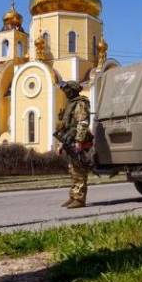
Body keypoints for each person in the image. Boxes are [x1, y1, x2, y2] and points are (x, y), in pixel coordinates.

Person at [56, 80, 93, 209]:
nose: (65, 92)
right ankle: (73, 196)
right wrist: (61, 144)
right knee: (72, 170)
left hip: (78, 141)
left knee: (79, 170)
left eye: (66, 90)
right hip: (69, 140)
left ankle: (79, 199)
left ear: (72, 90)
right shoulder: (70, 104)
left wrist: (79, 141)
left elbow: (82, 123)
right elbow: (65, 125)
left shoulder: (80, 103)